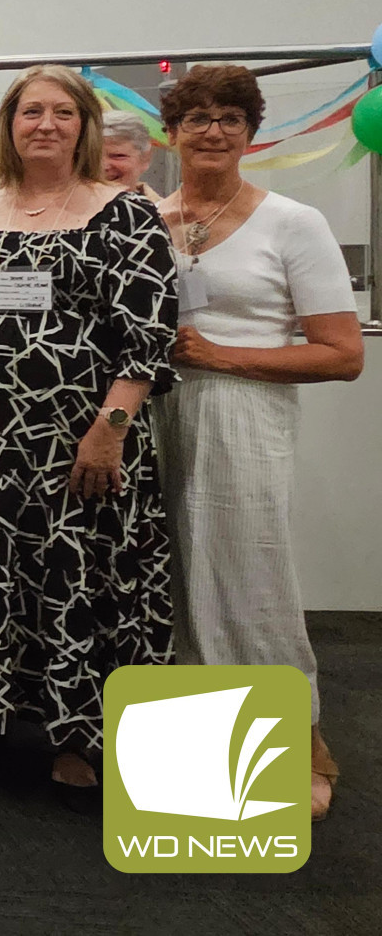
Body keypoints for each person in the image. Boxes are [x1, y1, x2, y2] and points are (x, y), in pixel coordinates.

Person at [0, 64, 177, 802]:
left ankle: (75, 736)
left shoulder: (125, 215)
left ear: (85, 126)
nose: (46, 124)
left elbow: (148, 339)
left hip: (86, 442)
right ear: (9, 124)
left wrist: (110, 428)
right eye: (31, 111)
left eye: (64, 112)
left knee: (80, 582)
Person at [150, 65, 361, 821]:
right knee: (167, 580)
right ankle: (197, 753)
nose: (213, 131)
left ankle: (299, 743)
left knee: (250, 576)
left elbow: (342, 354)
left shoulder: (291, 222)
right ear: (169, 133)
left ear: (250, 132)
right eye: (197, 117)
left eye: (230, 118)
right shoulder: (145, 217)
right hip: (153, 414)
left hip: (243, 410)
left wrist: (220, 356)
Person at [102, 109, 161, 199]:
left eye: (118, 156)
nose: (103, 166)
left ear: (145, 158)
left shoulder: (162, 212)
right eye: (93, 156)